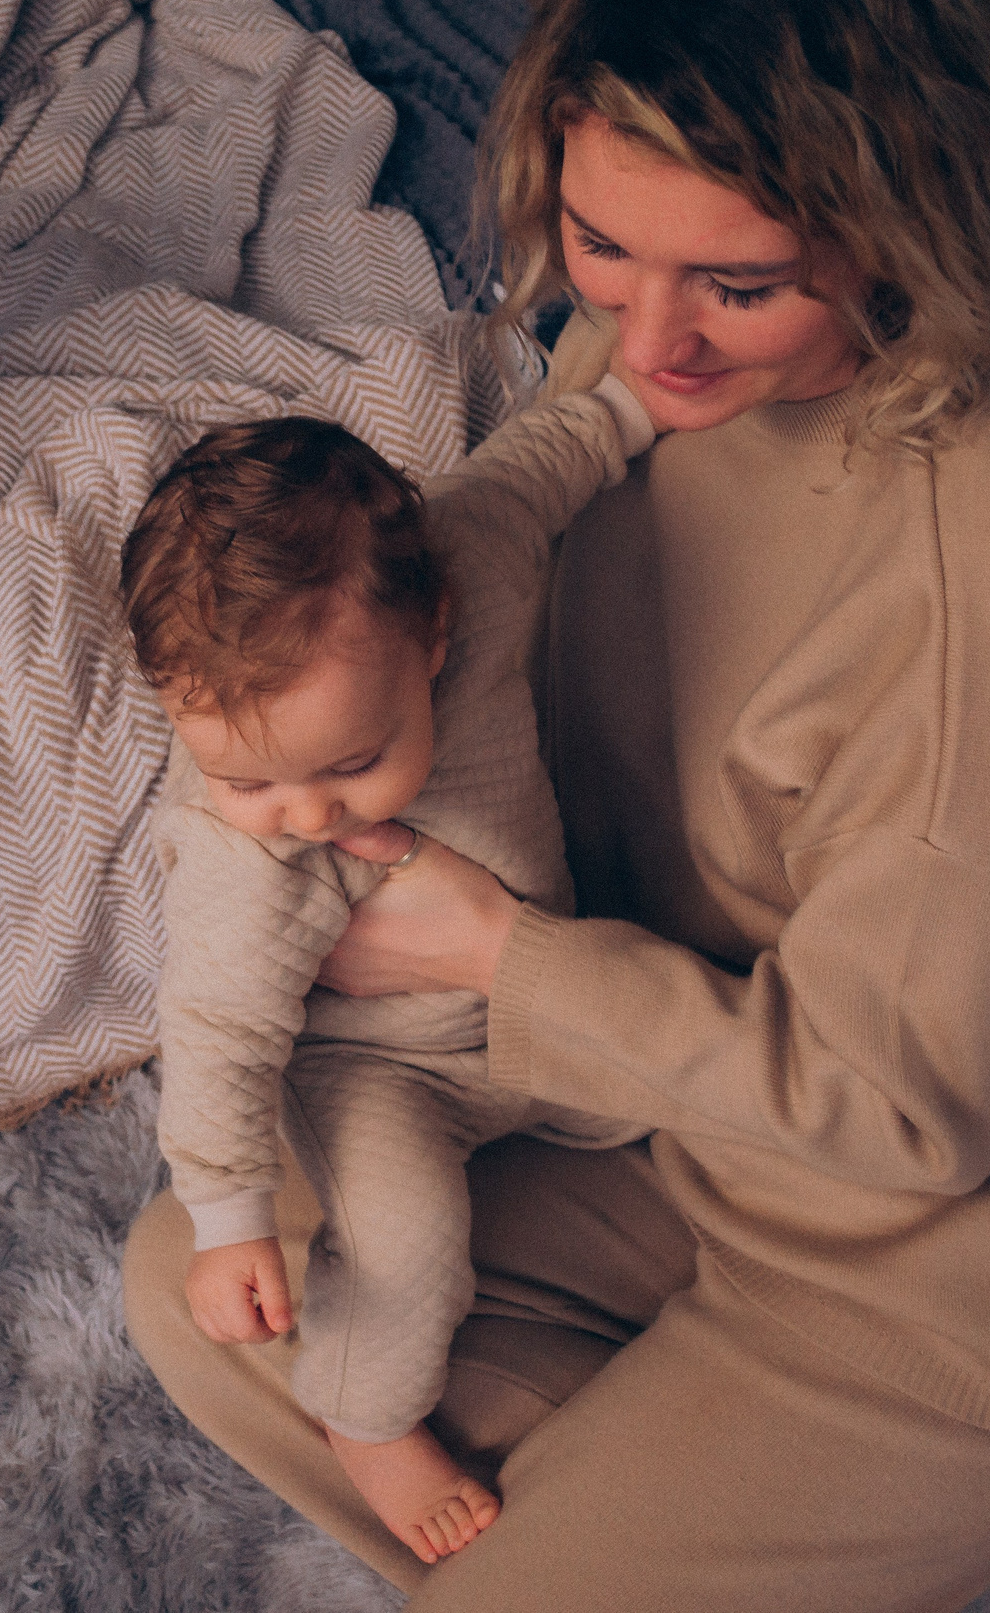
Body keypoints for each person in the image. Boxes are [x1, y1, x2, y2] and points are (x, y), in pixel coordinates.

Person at [122, 0, 990, 1607]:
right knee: (201, 1272)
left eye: (737, 284)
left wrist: (501, 955)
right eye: (604, 248)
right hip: (668, 1109)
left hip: (945, 1253)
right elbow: (524, 514)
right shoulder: (667, 360)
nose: (649, 340)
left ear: (916, 219)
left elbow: (906, 1110)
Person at [123, 388, 656, 1565]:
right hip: (376, 1069)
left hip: (531, 997)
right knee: (405, 1242)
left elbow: (532, 464)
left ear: (437, 633)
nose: (305, 817)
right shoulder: (247, 853)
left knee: (673, 1071)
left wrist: (624, 406)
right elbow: (217, 1024)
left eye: (353, 763)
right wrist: (225, 1217)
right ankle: (366, 1417)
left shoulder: (479, 555)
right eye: (246, 779)